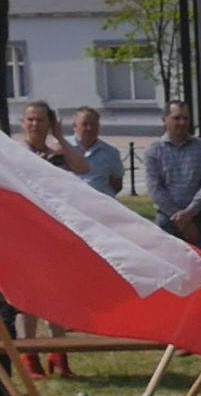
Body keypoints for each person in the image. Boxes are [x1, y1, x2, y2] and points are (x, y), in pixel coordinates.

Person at [13, 101, 88, 376]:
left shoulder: (57, 152)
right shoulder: (14, 152)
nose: (35, 125)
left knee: (57, 294)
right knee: (27, 298)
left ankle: (58, 352)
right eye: (30, 120)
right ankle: (29, 354)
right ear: (23, 123)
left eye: (41, 120)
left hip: (55, 232)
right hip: (23, 233)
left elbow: (83, 167)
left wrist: (60, 139)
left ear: (50, 123)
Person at [145, 101, 201, 252]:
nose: (182, 122)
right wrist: (179, 218)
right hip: (167, 220)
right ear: (164, 119)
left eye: (185, 118)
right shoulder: (153, 150)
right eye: (176, 118)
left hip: (199, 220)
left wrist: (189, 213)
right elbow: (154, 188)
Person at [70, 107, 123, 197]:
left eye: (93, 124)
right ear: (74, 126)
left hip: (100, 203)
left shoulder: (110, 152)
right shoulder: (61, 149)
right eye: (85, 124)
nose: (89, 128)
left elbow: (117, 184)